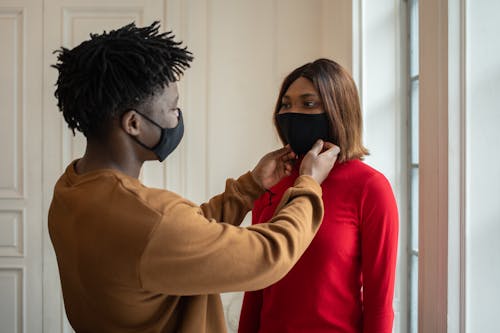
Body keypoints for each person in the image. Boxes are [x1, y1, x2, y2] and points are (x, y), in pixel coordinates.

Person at [48, 22, 341, 333]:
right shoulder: (152, 221)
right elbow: (269, 255)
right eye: (173, 108)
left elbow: (181, 237)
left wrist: (249, 187)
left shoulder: (70, 189)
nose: (178, 117)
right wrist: (308, 183)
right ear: (133, 123)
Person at [239, 59, 399, 333]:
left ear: (339, 109)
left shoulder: (370, 188)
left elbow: (379, 303)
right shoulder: (273, 180)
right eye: (286, 104)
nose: (292, 112)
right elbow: (256, 288)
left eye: (308, 103)